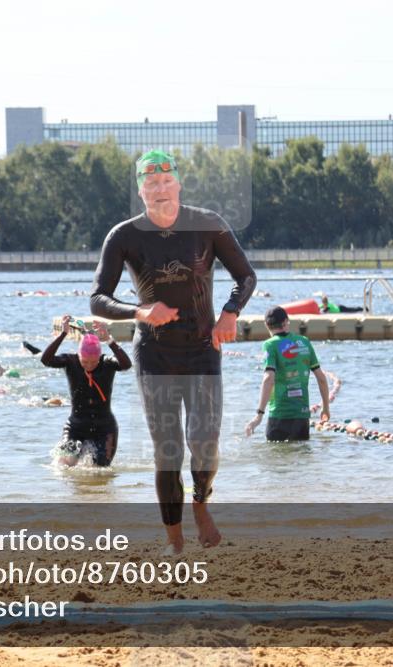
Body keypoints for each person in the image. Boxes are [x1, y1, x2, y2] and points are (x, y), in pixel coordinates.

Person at [90, 149, 257, 553]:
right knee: (168, 451)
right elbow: (98, 299)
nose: (160, 189)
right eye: (151, 183)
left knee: (205, 443)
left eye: (167, 181)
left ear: (179, 184)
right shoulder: (124, 236)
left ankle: (200, 503)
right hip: (154, 354)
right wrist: (139, 311)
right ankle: (175, 540)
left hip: (202, 349)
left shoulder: (207, 225)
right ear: (141, 192)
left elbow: (246, 276)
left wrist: (230, 313)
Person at [41, 316, 131, 467]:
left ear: (99, 357)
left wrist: (109, 340)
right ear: (79, 356)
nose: (89, 365)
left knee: (99, 469)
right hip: (76, 426)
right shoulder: (70, 361)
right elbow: (46, 360)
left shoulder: (107, 363)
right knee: (62, 463)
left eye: (93, 362)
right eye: (85, 361)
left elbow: (126, 364)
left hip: (104, 428)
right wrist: (63, 334)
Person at [245, 307, 330, 441]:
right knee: (301, 452)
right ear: (286, 321)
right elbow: (321, 378)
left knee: (276, 453)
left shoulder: (270, 345)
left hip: (279, 415)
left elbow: (268, 379)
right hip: (302, 417)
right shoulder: (304, 342)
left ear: (266, 325)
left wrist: (259, 415)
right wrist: (325, 407)